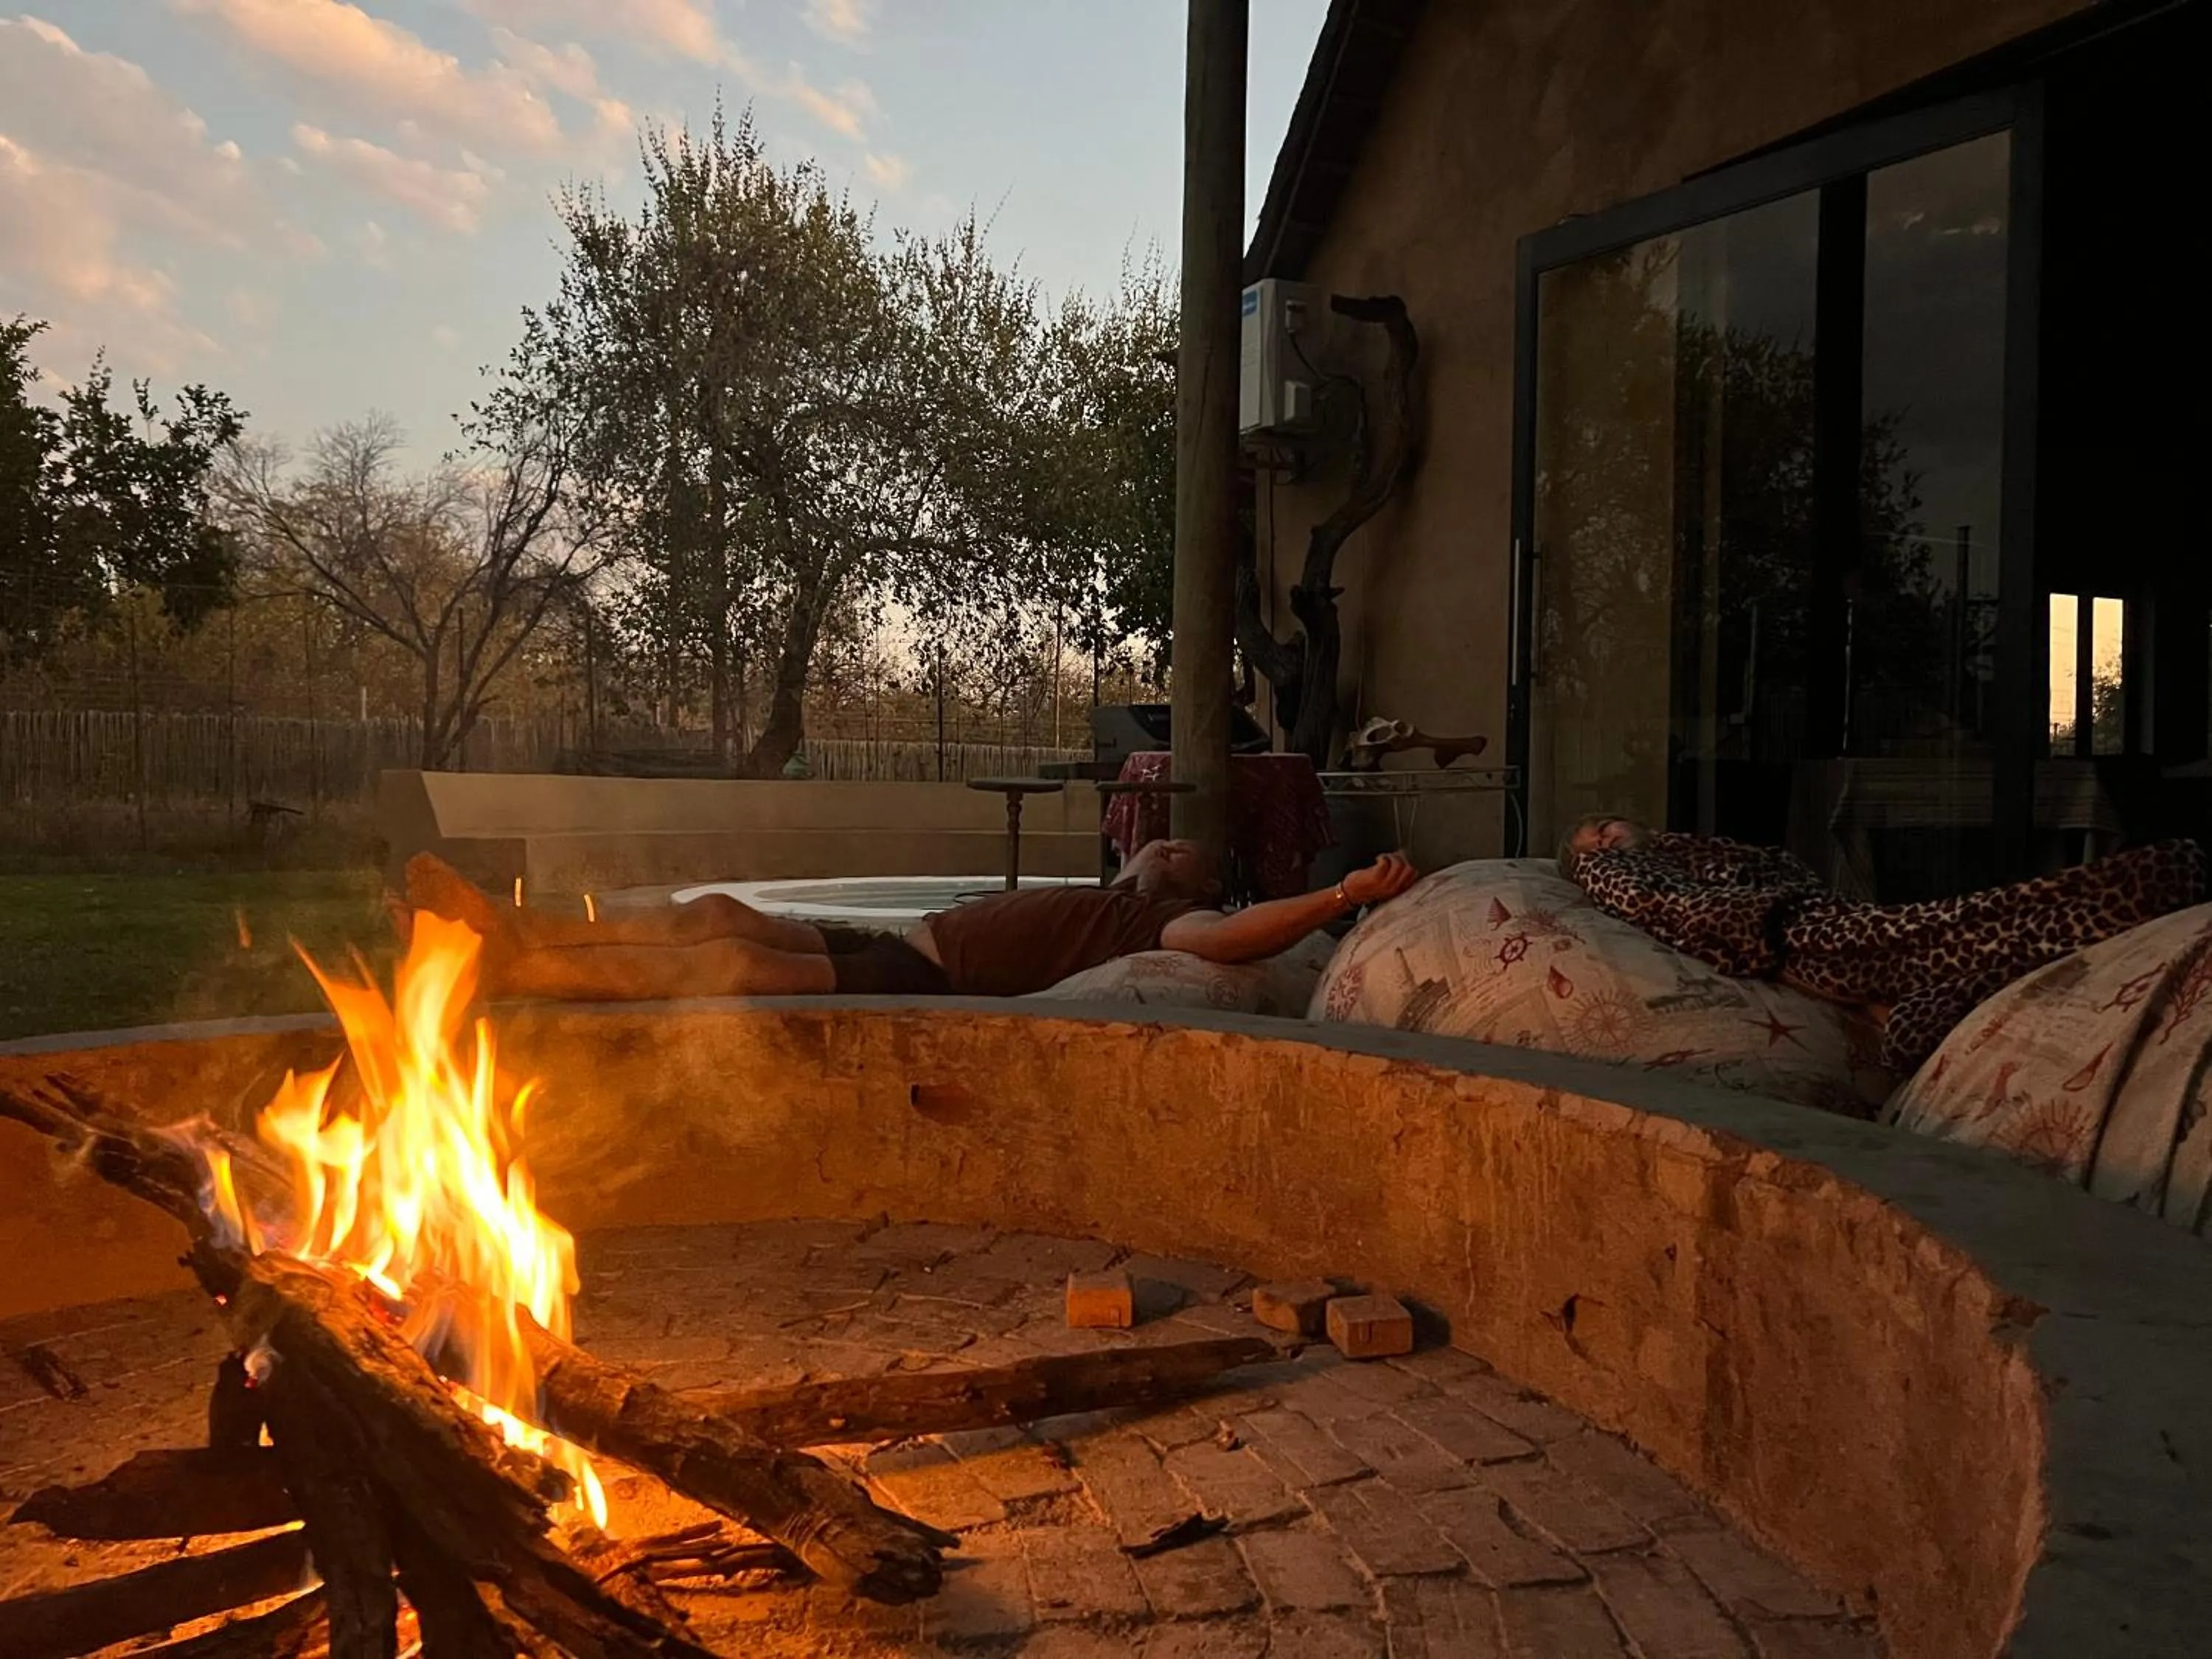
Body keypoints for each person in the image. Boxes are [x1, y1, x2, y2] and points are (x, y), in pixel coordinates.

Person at [1557, 815, 2208, 1071]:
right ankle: (2151, 883)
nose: (1606, 837)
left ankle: (1905, 1029)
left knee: (1955, 939)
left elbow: (1775, 864)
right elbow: (1690, 913)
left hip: (1820, 920)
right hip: (1801, 932)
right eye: (1592, 838)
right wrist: (1773, 930)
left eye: (1609, 825)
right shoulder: (1618, 873)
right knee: (1967, 926)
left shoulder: (1682, 847)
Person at [396, 842, 1421, 1004]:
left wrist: (1342, 897)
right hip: (910, 940)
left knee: (730, 960)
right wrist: (1144, 863)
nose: (1169, 846)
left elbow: (1242, 940)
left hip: (922, 982)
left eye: (1185, 852)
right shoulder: (1129, 890)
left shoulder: (1166, 929)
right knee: (716, 909)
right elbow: (1143, 859)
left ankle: (522, 973)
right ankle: (510, 930)